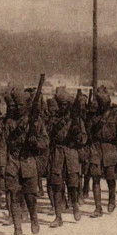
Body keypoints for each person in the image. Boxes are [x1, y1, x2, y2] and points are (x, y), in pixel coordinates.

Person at [3, 87, 49, 235]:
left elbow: (45, 141)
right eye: (15, 105)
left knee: (30, 196)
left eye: (20, 105)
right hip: (13, 161)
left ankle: (33, 216)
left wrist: (35, 142)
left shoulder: (36, 122)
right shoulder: (9, 122)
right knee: (14, 196)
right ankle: (17, 230)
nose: (17, 108)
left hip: (29, 161)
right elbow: (3, 144)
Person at [88, 86, 117, 216]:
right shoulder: (93, 116)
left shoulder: (115, 116)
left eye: (104, 104)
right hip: (95, 148)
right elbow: (88, 131)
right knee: (95, 178)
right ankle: (98, 208)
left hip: (110, 149)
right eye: (100, 104)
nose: (102, 106)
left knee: (110, 178)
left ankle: (111, 200)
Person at [48, 87, 87, 226]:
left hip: (71, 153)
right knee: (57, 186)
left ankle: (75, 205)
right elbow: (48, 137)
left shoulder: (75, 119)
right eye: (61, 104)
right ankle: (58, 216)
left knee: (72, 184)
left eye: (65, 104)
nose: (63, 107)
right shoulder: (53, 120)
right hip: (58, 154)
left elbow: (83, 139)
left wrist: (77, 135)